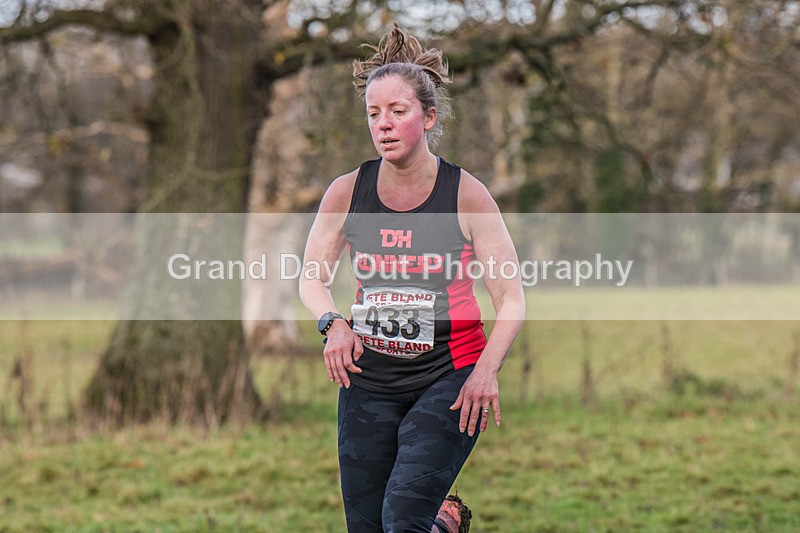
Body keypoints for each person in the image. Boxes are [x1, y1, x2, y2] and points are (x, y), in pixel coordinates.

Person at [299, 25, 525, 533]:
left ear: (428, 117)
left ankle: (432, 523)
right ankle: (444, 525)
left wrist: (486, 373)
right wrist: (332, 322)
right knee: (368, 528)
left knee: (402, 520)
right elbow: (311, 278)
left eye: (398, 112)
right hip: (368, 378)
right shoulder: (347, 192)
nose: (384, 124)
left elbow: (511, 298)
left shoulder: (466, 195)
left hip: (449, 376)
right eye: (374, 114)